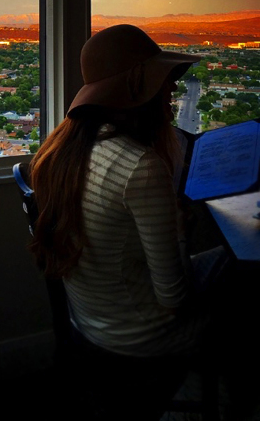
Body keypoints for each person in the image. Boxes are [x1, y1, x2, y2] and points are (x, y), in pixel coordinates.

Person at [28, 24, 230, 358]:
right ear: (139, 87)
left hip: (92, 320)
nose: (173, 87)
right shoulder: (140, 166)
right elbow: (175, 299)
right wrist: (181, 231)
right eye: (164, 78)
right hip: (144, 333)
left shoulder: (61, 152)